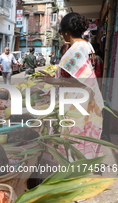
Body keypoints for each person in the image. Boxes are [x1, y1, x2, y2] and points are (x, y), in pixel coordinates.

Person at [39, 12, 104, 159]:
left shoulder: (75, 50)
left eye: (62, 32)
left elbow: (82, 80)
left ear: (67, 33)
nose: (62, 36)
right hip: (86, 101)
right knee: (83, 140)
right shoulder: (87, 45)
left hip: (77, 104)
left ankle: (75, 173)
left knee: (74, 141)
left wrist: (54, 81)